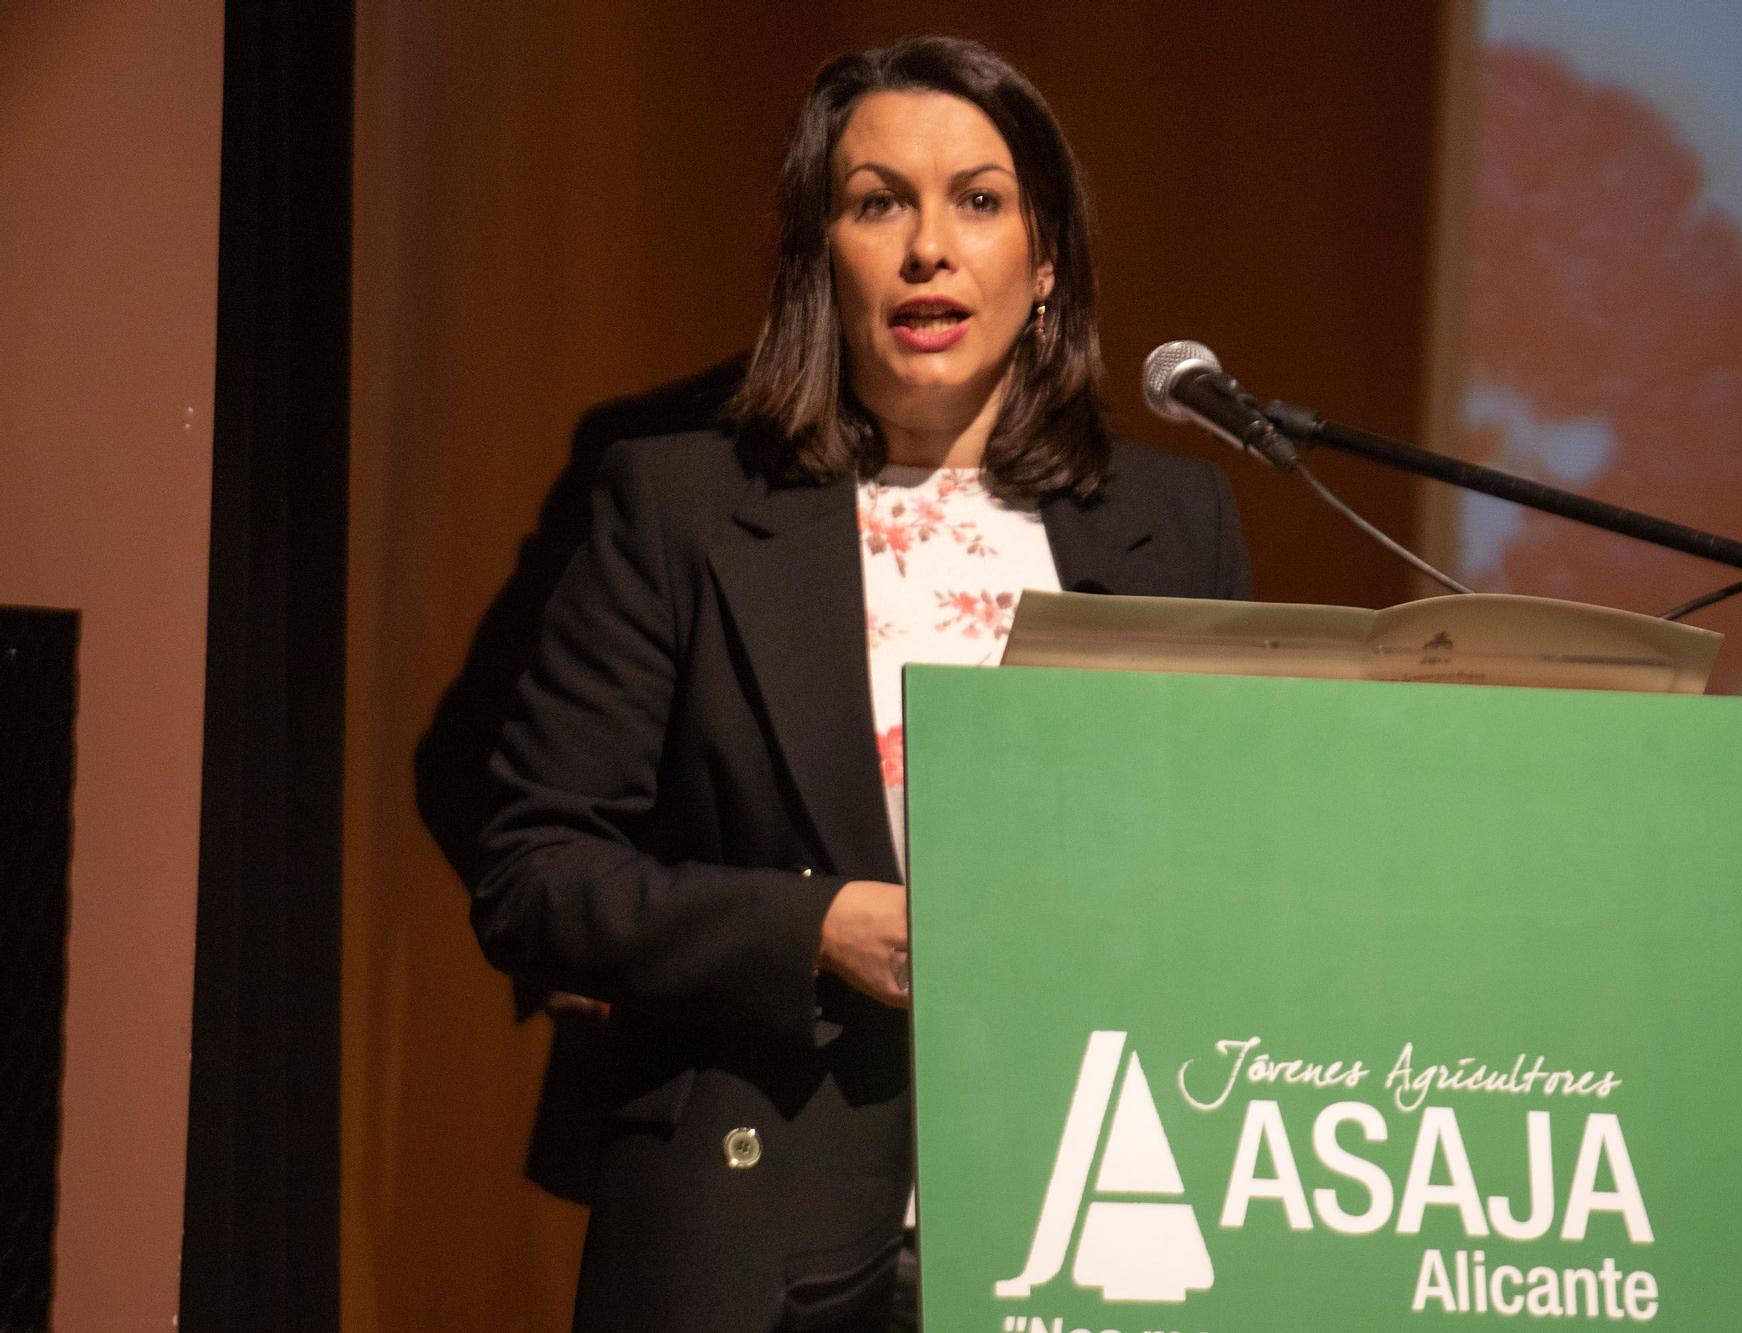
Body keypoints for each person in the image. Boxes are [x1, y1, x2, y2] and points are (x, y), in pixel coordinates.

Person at [473, 33, 1251, 1332]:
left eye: (981, 201)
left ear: (1044, 260)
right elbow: (534, 870)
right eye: (878, 201)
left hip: (1089, 1206)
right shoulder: (680, 504)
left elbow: (1233, 858)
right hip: (757, 1200)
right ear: (819, 252)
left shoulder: (1173, 521)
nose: (928, 247)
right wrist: (815, 927)